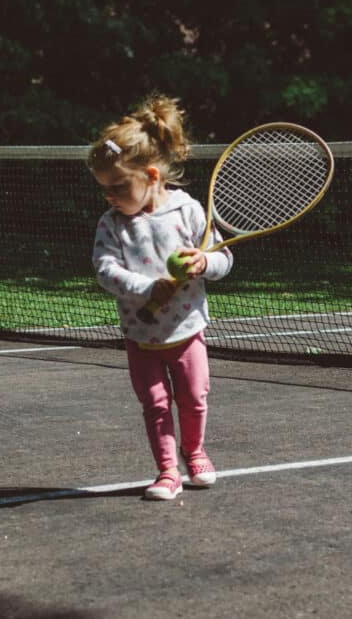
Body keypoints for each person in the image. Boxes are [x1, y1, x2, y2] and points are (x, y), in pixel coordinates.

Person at [87, 94, 233, 501]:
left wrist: (204, 262)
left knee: (194, 399)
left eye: (118, 187)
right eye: (104, 189)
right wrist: (147, 288)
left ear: (151, 175)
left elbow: (224, 259)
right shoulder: (112, 224)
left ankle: (195, 452)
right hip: (141, 336)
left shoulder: (188, 211)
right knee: (155, 404)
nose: (110, 196)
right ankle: (167, 471)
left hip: (187, 331)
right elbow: (104, 270)